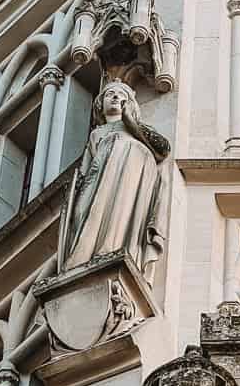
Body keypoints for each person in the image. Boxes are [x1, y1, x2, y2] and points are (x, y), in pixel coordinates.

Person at [60, 80, 169, 285]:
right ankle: (84, 255)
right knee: (84, 213)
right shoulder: (96, 134)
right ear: (100, 104)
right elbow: (85, 169)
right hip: (99, 179)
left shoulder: (135, 129)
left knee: (120, 211)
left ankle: (111, 250)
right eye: (110, 94)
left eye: (121, 95)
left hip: (128, 175)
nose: (116, 97)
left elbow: (163, 148)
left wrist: (131, 122)